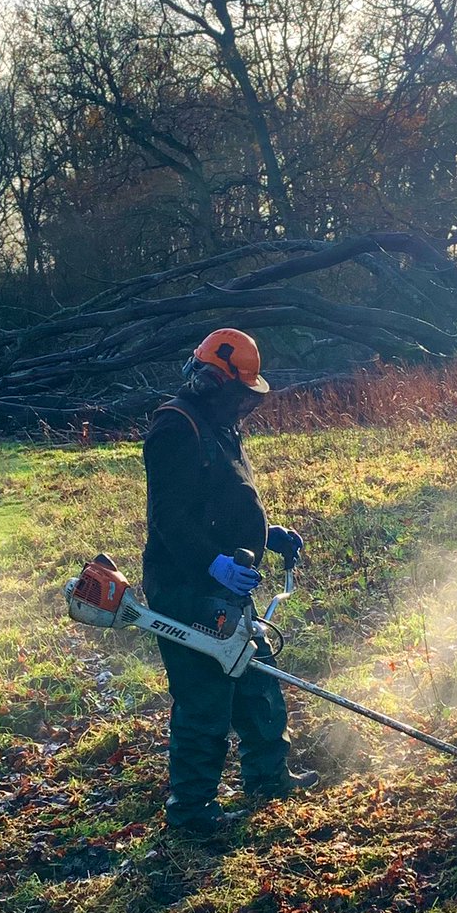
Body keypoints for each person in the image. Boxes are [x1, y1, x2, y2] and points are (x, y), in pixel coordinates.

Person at [142, 329, 317, 833]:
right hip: (187, 588)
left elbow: (223, 500)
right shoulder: (175, 429)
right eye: (240, 395)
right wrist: (212, 564)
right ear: (213, 382)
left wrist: (269, 533)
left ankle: (268, 777)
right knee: (204, 696)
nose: (246, 407)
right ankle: (191, 811)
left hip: (227, 586)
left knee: (257, 677)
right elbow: (170, 520)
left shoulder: (218, 426)